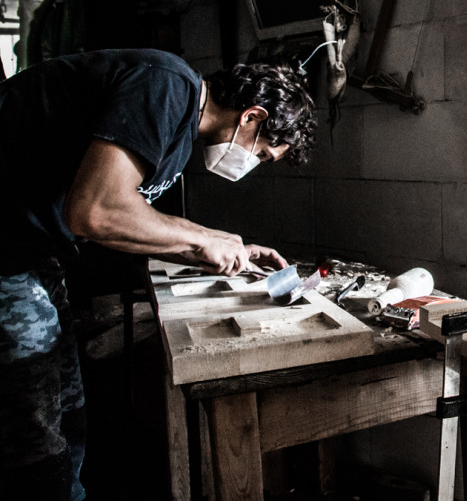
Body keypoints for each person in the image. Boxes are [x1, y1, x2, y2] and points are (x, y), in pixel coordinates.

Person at [0, 48, 317, 500]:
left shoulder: (180, 133)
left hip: (34, 250)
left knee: (68, 410)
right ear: (251, 116)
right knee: (31, 431)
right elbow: (94, 211)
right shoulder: (166, 85)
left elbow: (128, 219)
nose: (253, 166)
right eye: (262, 155)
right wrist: (202, 238)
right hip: (7, 249)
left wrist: (231, 251)